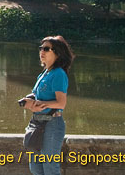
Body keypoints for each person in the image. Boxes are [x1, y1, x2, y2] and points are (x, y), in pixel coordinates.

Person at [21, 35, 75, 175]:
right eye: (41, 48)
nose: (42, 52)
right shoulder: (44, 74)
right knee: (36, 168)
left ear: (57, 53)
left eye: (46, 49)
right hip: (38, 123)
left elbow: (61, 103)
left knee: (50, 168)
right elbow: (36, 95)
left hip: (52, 124)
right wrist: (29, 100)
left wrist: (39, 104)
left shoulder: (58, 74)